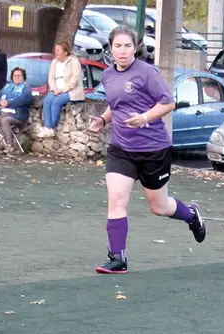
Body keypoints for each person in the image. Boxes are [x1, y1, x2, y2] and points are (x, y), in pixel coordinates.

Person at [87, 26, 206, 274]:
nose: (122, 51)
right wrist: (103, 120)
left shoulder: (146, 72)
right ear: (111, 48)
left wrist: (144, 118)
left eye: (127, 46)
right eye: (117, 46)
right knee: (116, 200)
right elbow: (115, 105)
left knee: (159, 207)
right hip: (121, 149)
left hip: (154, 149)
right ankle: (117, 258)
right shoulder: (108, 75)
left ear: (135, 48)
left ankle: (191, 214)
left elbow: (168, 103)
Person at [37, 42, 84, 138]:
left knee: (56, 102)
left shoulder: (74, 61)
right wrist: (54, 89)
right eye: (55, 50)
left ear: (65, 52)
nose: (56, 52)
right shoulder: (54, 62)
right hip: (56, 89)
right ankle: (47, 128)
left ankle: (51, 128)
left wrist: (62, 90)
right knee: (47, 101)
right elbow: (51, 78)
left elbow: (74, 79)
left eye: (58, 50)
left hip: (71, 90)